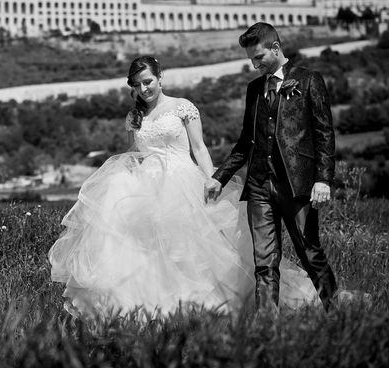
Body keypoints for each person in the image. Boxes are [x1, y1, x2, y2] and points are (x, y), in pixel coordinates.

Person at [49, 55, 318, 319]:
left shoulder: (182, 107)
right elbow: (136, 151)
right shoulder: (134, 117)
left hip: (181, 182)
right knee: (143, 249)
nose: (144, 89)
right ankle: (152, 307)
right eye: (137, 85)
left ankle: (206, 304)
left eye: (148, 81)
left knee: (192, 249)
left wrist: (213, 180)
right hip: (146, 185)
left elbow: (199, 149)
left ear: (159, 77)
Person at [205, 22, 338, 312]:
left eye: (259, 57)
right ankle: (268, 324)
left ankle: (336, 312)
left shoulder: (308, 80)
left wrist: (323, 179)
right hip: (259, 187)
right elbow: (245, 142)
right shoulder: (254, 89)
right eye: (251, 59)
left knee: (310, 252)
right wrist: (220, 177)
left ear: (275, 48)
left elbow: (324, 134)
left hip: (297, 184)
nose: (254, 65)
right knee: (263, 260)